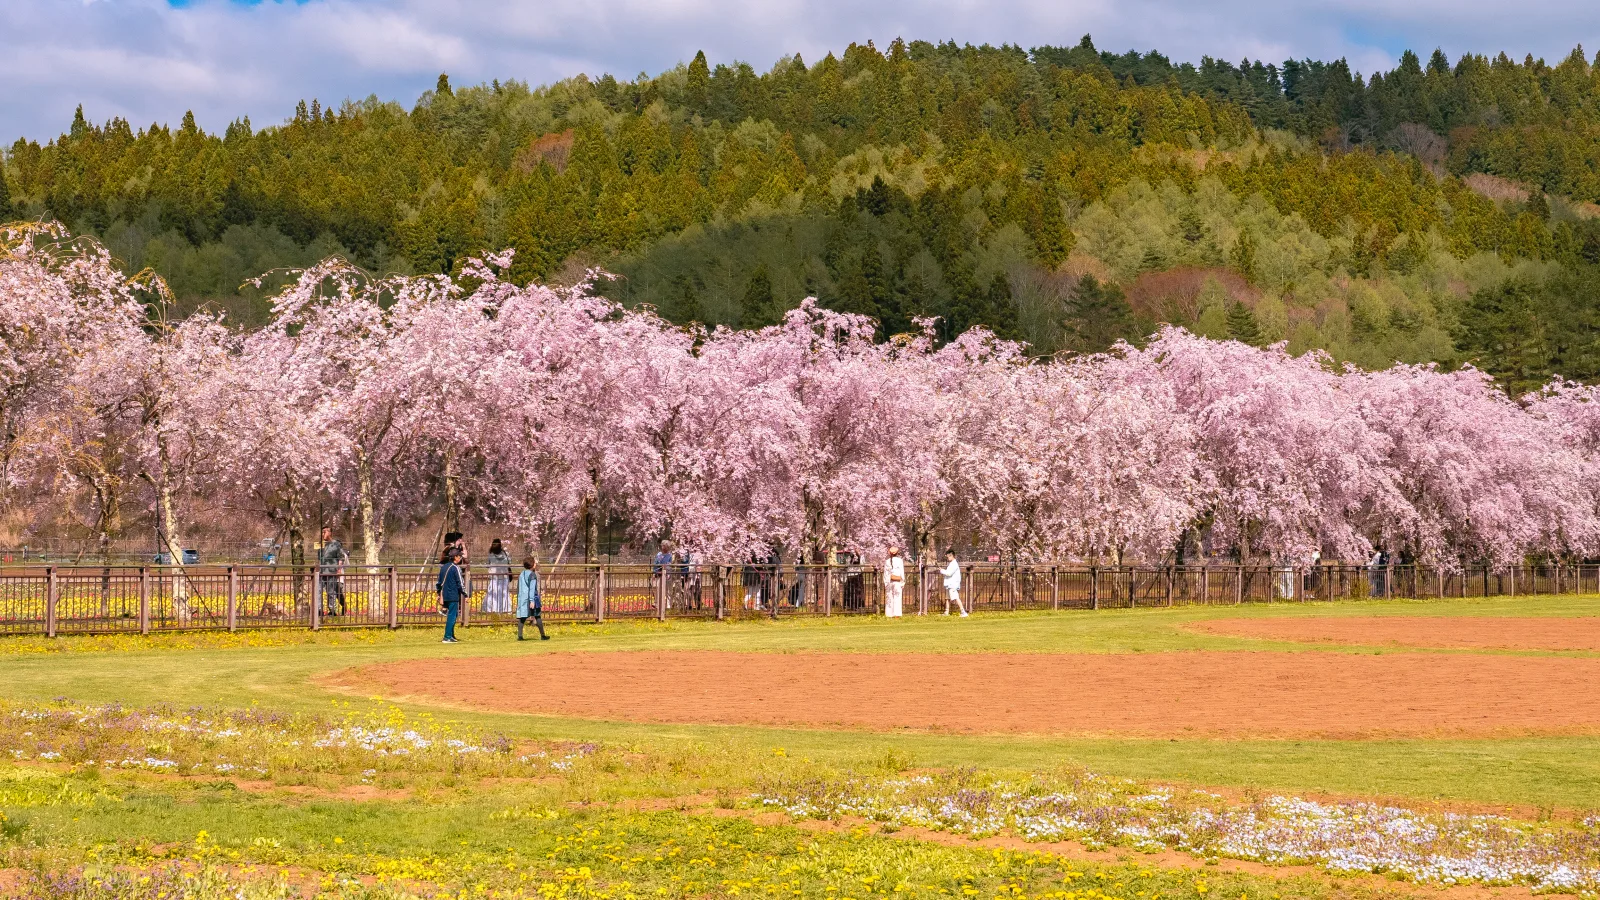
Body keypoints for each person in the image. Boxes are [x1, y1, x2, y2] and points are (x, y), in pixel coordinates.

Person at [436, 546, 468, 643]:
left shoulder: (444, 567)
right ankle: (447, 636)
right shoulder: (455, 568)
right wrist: (465, 594)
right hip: (453, 595)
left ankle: (451, 635)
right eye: (459, 556)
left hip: (445, 595)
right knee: (452, 616)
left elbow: (439, 582)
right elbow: (460, 583)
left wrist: (439, 593)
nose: (460, 558)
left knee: (452, 615)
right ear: (455, 557)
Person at [317, 526, 348, 616]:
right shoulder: (321, 545)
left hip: (331, 572)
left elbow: (340, 557)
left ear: (330, 533)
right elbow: (319, 558)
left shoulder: (336, 544)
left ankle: (332, 610)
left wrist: (338, 570)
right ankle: (319, 609)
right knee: (318, 591)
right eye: (322, 532)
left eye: (325, 532)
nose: (323, 534)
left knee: (331, 592)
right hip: (322, 572)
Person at [517, 556, 548, 641]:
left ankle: (520, 636)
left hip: (522, 598)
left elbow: (519, 587)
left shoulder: (522, 574)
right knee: (537, 616)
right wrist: (532, 600)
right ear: (532, 565)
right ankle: (543, 635)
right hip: (532, 598)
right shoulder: (532, 575)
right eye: (534, 563)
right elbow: (531, 589)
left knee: (522, 617)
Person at [482, 538, 513, 614]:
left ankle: (491, 608)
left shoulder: (491, 554)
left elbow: (488, 564)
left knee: (492, 593)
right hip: (504, 576)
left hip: (494, 577)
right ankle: (505, 608)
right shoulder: (505, 553)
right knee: (504, 593)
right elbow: (510, 562)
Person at [941, 549, 967, 616]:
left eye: (948, 557)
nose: (947, 558)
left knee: (956, 597)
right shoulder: (951, 564)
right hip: (949, 584)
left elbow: (949, 573)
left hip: (952, 584)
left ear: (951, 555)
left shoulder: (954, 564)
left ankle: (963, 612)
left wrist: (942, 571)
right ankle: (946, 612)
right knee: (947, 598)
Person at [883, 547, 905, 618]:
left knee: (889, 598)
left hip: (889, 581)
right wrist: (902, 582)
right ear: (897, 553)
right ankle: (897, 615)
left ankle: (889, 614)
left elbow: (885, 573)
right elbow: (902, 572)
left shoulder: (887, 561)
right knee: (897, 598)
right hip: (897, 581)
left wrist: (886, 583)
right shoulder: (899, 560)